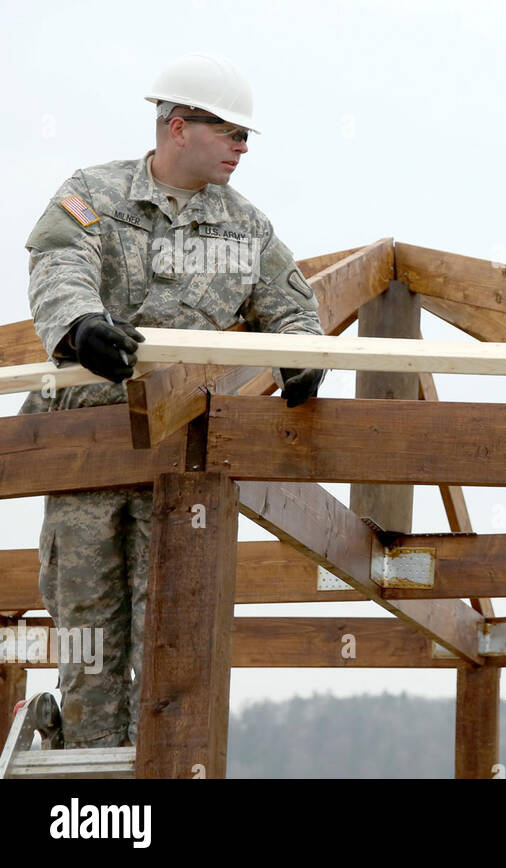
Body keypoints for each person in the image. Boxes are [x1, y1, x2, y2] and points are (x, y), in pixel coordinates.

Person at [21, 53, 326, 749]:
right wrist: (77, 324)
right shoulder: (93, 194)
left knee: (172, 629)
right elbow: (58, 263)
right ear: (179, 127)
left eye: (246, 137)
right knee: (86, 628)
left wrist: (303, 356)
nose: (244, 149)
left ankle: (157, 775)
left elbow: (291, 306)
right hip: (86, 452)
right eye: (232, 134)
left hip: (181, 454)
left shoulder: (247, 230)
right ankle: (90, 770)